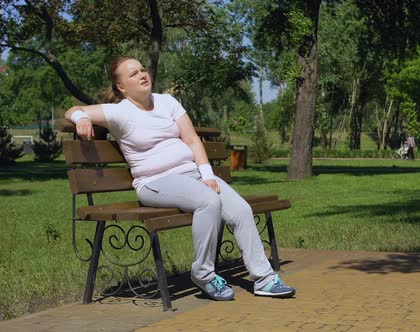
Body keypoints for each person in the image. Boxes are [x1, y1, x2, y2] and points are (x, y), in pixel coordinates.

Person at [65, 56, 295, 301]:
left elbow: (193, 140)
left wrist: (207, 175)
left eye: (143, 69)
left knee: (240, 209)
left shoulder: (167, 102)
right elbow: (73, 110)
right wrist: (81, 119)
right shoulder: (119, 112)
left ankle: (264, 279)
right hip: (154, 183)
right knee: (209, 201)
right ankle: (204, 274)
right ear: (121, 87)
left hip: (193, 176)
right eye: (133, 74)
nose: (142, 74)